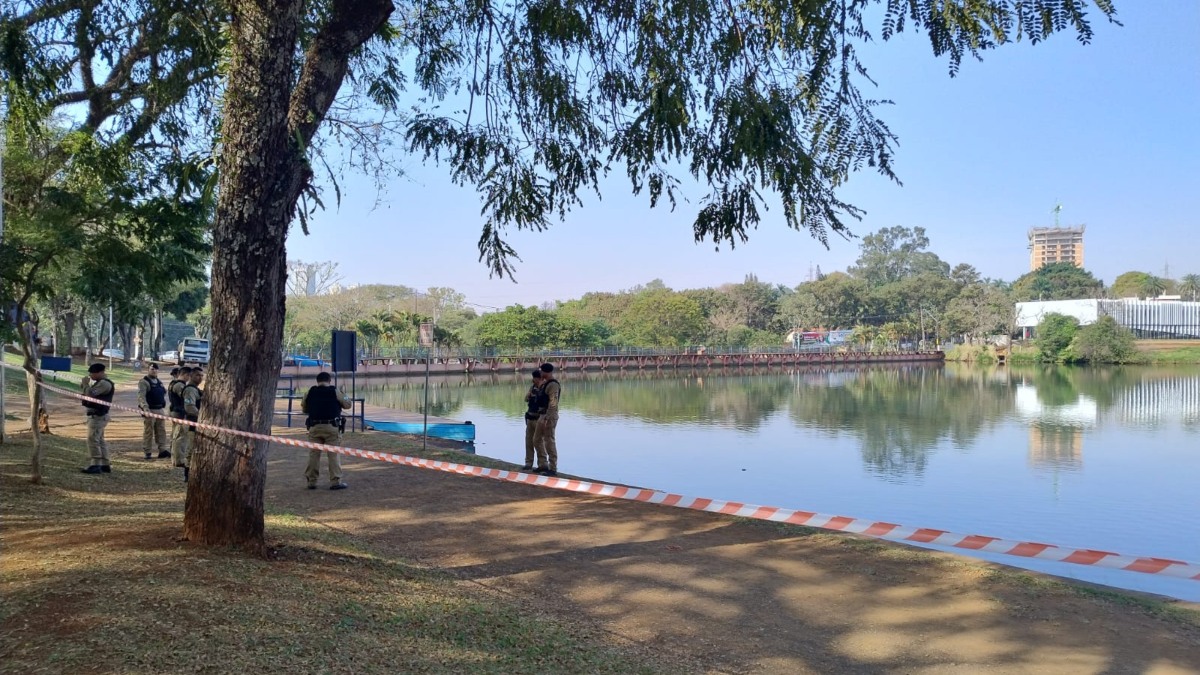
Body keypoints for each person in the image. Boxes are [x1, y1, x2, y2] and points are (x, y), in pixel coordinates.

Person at [300, 371, 351, 490]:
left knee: (314, 455)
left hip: (314, 427)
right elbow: (347, 404)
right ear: (329, 381)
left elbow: (304, 408)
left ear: (317, 381)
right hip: (332, 427)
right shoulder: (335, 391)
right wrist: (343, 394)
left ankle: (311, 482)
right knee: (333, 455)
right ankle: (335, 481)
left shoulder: (310, 392)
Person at [80, 363, 115, 474]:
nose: (90, 375)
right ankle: (105, 464)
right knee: (99, 440)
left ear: (100, 372)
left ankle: (95, 464)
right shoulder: (99, 383)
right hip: (97, 415)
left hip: (98, 416)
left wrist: (85, 385)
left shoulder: (104, 384)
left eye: (92, 373)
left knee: (93, 439)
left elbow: (90, 394)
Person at [172, 368, 204, 481]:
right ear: (190, 376)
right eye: (197, 375)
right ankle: (187, 475)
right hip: (192, 423)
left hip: (197, 423)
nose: (200, 378)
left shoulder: (196, 389)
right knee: (190, 450)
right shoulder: (190, 390)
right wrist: (203, 417)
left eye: (201, 375)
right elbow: (190, 407)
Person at [532, 362, 561, 476]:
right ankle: (543, 464)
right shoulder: (545, 384)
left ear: (545, 372)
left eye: (541, 371)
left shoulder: (553, 385)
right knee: (536, 439)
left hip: (549, 416)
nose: (540, 373)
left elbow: (553, 403)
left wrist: (548, 417)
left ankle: (553, 468)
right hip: (542, 415)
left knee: (549, 441)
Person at [137, 363, 171, 460]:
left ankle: (162, 450)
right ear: (148, 370)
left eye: (156, 369)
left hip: (159, 410)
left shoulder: (159, 382)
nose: (154, 371)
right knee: (148, 432)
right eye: (152, 369)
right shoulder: (144, 382)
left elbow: (162, 393)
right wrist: (145, 409)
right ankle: (147, 452)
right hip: (150, 410)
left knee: (161, 431)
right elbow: (141, 397)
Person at [521, 369, 544, 472]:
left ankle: (542, 464)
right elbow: (526, 399)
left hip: (539, 419)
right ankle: (528, 463)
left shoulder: (544, 388)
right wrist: (529, 395)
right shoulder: (532, 387)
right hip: (530, 418)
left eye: (535, 378)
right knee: (529, 442)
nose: (533, 380)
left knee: (539, 442)